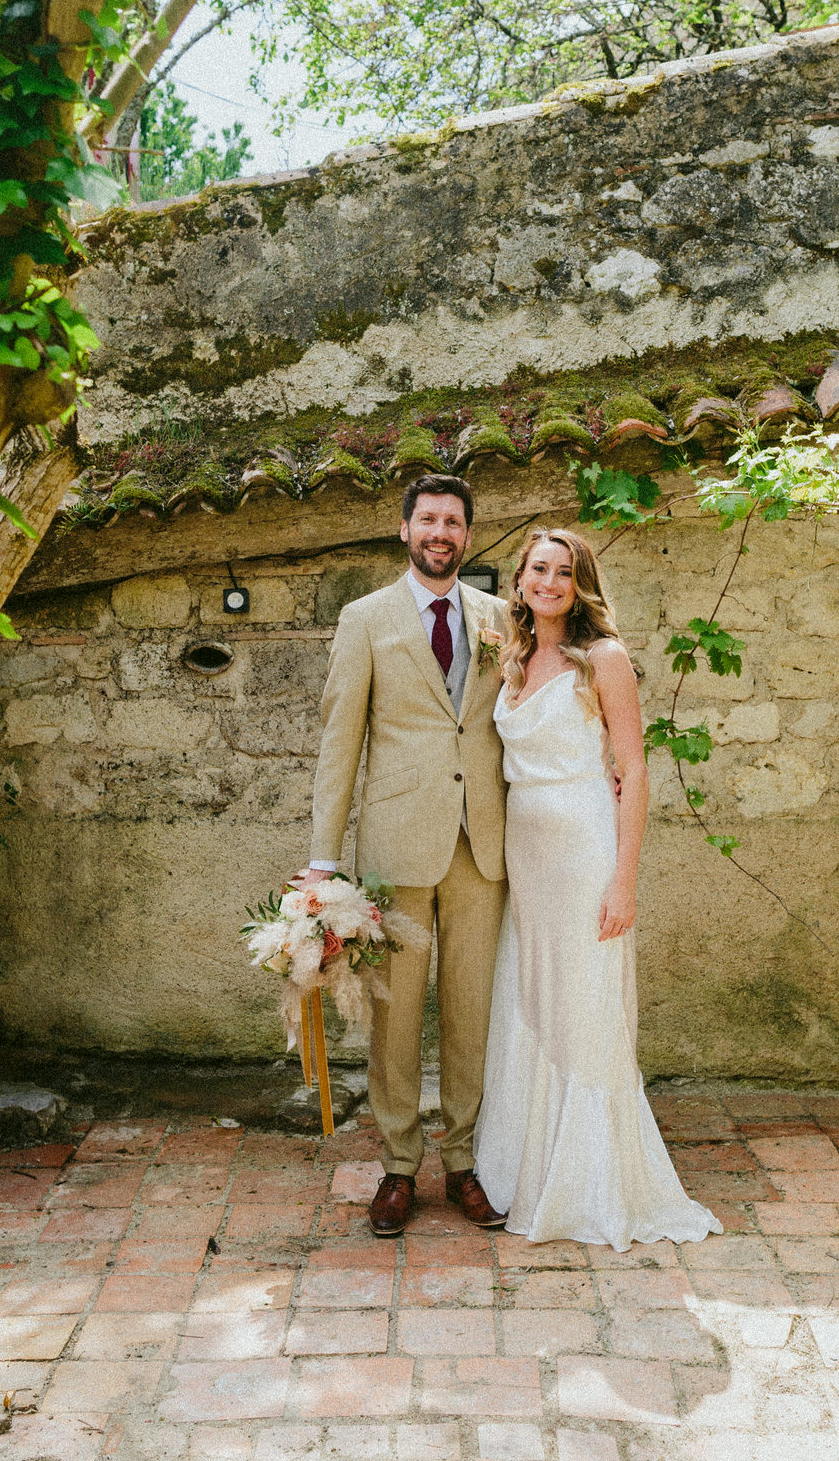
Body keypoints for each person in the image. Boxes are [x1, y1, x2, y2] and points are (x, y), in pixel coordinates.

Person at [474, 527, 719, 1249]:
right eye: (537, 569)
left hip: (585, 848)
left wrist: (624, 881)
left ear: (581, 585)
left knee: (585, 1005)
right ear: (519, 580)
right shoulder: (513, 656)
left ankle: (588, 1183)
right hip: (528, 855)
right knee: (532, 996)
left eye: (563, 572)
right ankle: (526, 1167)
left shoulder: (604, 659)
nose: (549, 582)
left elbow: (635, 769)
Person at [306, 474, 513, 1237]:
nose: (440, 532)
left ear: (466, 535)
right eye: (427, 519)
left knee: (471, 1012)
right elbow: (339, 744)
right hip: (396, 850)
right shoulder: (364, 620)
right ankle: (398, 1165)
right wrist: (323, 862)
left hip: (481, 848)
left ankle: (462, 1161)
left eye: (454, 522)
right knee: (394, 1018)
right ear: (404, 530)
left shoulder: (500, 617)